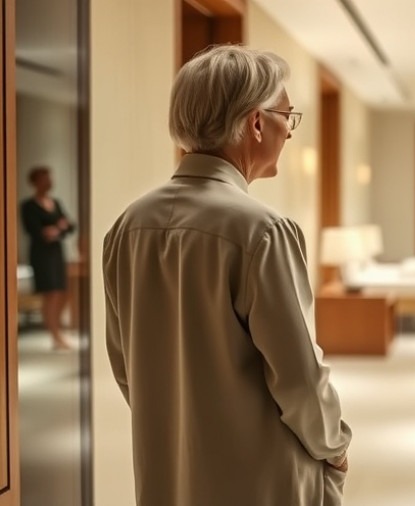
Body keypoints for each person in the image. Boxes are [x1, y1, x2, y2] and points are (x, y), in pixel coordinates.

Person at [103, 46, 351, 506]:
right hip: (262, 480)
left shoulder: (128, 226)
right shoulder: (262, 231)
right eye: (286, 116)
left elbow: (126, 367)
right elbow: (298, 378)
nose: (289, 132)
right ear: (256, 123)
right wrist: (334, 447)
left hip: (169, 475)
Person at [21, 167, 76, 351]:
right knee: (50, 293)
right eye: (44, 178)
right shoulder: (28, 206)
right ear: (35, 182)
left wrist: (57, 229)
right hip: (41, 254)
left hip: (56, 252)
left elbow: (69, 226)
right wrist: (57, 227)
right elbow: (38, 232)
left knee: (62, 291)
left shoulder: (56, 203)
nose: (48, 182)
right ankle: (55, 334)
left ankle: (57, 328)